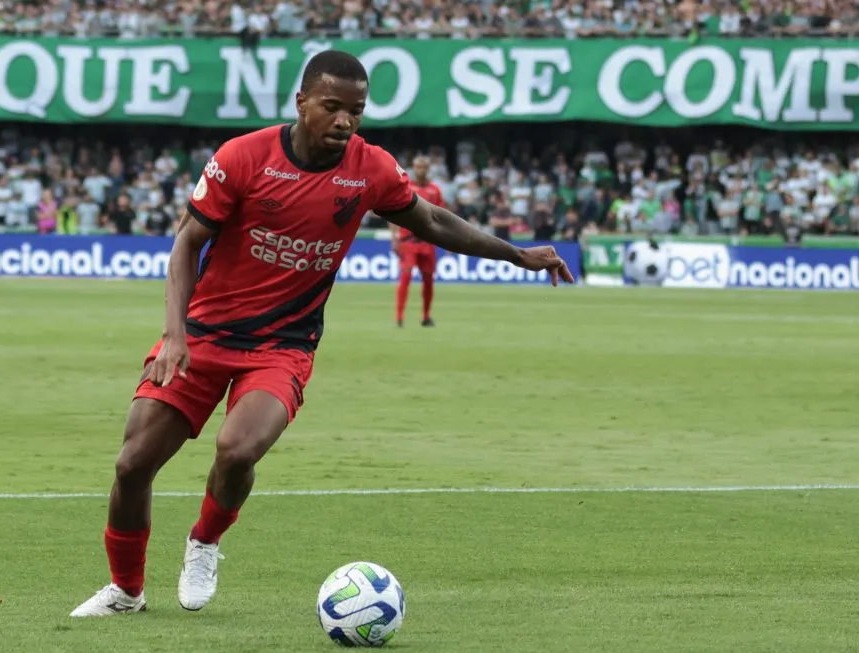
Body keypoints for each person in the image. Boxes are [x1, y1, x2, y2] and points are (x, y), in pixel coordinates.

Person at [70, 51, 572, 618]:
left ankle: (205, 543)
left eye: (356, 110)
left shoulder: (369, 168)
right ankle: (126, 592)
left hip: (283, 346)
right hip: (203, 334)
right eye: (332, 107)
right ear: (302, 102)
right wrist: (174, 335)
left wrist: (517, 255)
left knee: (237, 450)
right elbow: (187, 241)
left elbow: (430, 220)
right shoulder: (243, 157)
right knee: (132, 464)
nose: (344, 121)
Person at [390, 155, 444, 327]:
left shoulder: (435, 190)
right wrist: (394, 237)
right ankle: (399, 318)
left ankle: (426, 316)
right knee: (405, 276)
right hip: (408, 240)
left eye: (424, 167)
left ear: (428, 168)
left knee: (428, 279)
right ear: (413, 168)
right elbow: (391, 212)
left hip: (428, 241)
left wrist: (445, 240)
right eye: (418, 167)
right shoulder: (406, 187)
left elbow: (441, 216)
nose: (421, 169)